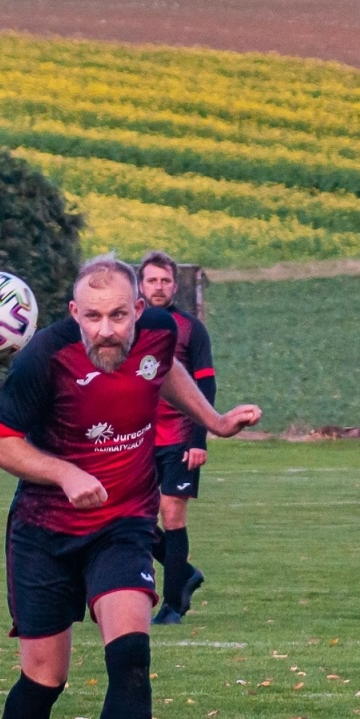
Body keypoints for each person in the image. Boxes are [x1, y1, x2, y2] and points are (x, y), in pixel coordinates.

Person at [0, 255, 262, 719]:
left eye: (117, 315)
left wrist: (213, 422)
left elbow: (163, 370)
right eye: (93, 317)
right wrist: (62, 473)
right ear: (73, 315)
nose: (106, 329)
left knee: (132, 655)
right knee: (45, 678)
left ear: (139, 309)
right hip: (45, 530)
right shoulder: (44, 359)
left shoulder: (160, 334)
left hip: (122, 524)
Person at [137, 251, 216, 624]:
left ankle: (172, 605)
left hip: (181, 440)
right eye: (152, 280)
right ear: (140, 284)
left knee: (172, 516)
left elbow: (206, 384)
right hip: (137, 440)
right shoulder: (129, 326)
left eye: (165, 280)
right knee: (132, 518)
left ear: (175, 284)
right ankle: (183, 573)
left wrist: (200, 439)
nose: (159, 287)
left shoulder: (189, 329)